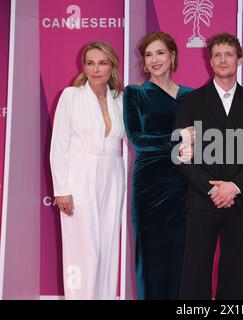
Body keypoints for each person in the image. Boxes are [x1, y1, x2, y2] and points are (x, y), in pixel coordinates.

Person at [174, 32, 243, 300]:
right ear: (210, 61)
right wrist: (211, 188)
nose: (223, 60)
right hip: (202, 200)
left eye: (229, 54)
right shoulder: (191, 102)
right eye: (217, 55)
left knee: (237, 273)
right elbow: (180, 154)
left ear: (240, 59)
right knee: (195, 272)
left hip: (242, 200)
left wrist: (235, 187)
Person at [50, 41, 125, 300]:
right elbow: (58, 145)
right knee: (83, 249)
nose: (95, 69)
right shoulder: (71, 95)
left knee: (107, 247)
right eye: (90, 63)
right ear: (83, 66)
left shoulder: (120, 99)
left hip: (113, 178)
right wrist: (62, 190)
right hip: (79, 179)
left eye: (102, 63)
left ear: (112, 66)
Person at [123, 32, 194, 300]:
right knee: (151, 256)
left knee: (180, 257)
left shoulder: (191, 95)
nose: (154, 60)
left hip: (183, 183)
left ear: (173, 56)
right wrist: (178, 138)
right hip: (150, 185)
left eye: (160, 53)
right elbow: (137, 139)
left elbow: (210, 130)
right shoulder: (136, 94)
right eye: (149, 55)